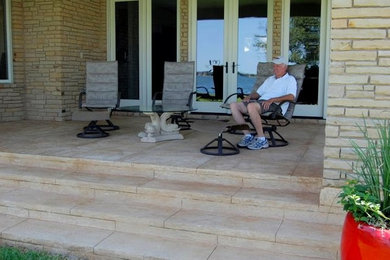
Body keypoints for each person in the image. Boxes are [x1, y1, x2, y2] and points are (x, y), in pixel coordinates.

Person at [230, 56, 297, 150]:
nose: (275, 68)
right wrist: (250, 96)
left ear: (285, 67)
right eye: (274, 66)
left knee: (252, 106)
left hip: (276, 105)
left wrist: (273, 99)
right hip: (261, 102)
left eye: (278, 66)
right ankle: (248, 136)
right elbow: (258, 94)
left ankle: (262, 139)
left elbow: (291, 96)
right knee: (234, 105)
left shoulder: (290, 79)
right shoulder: (270, 79)